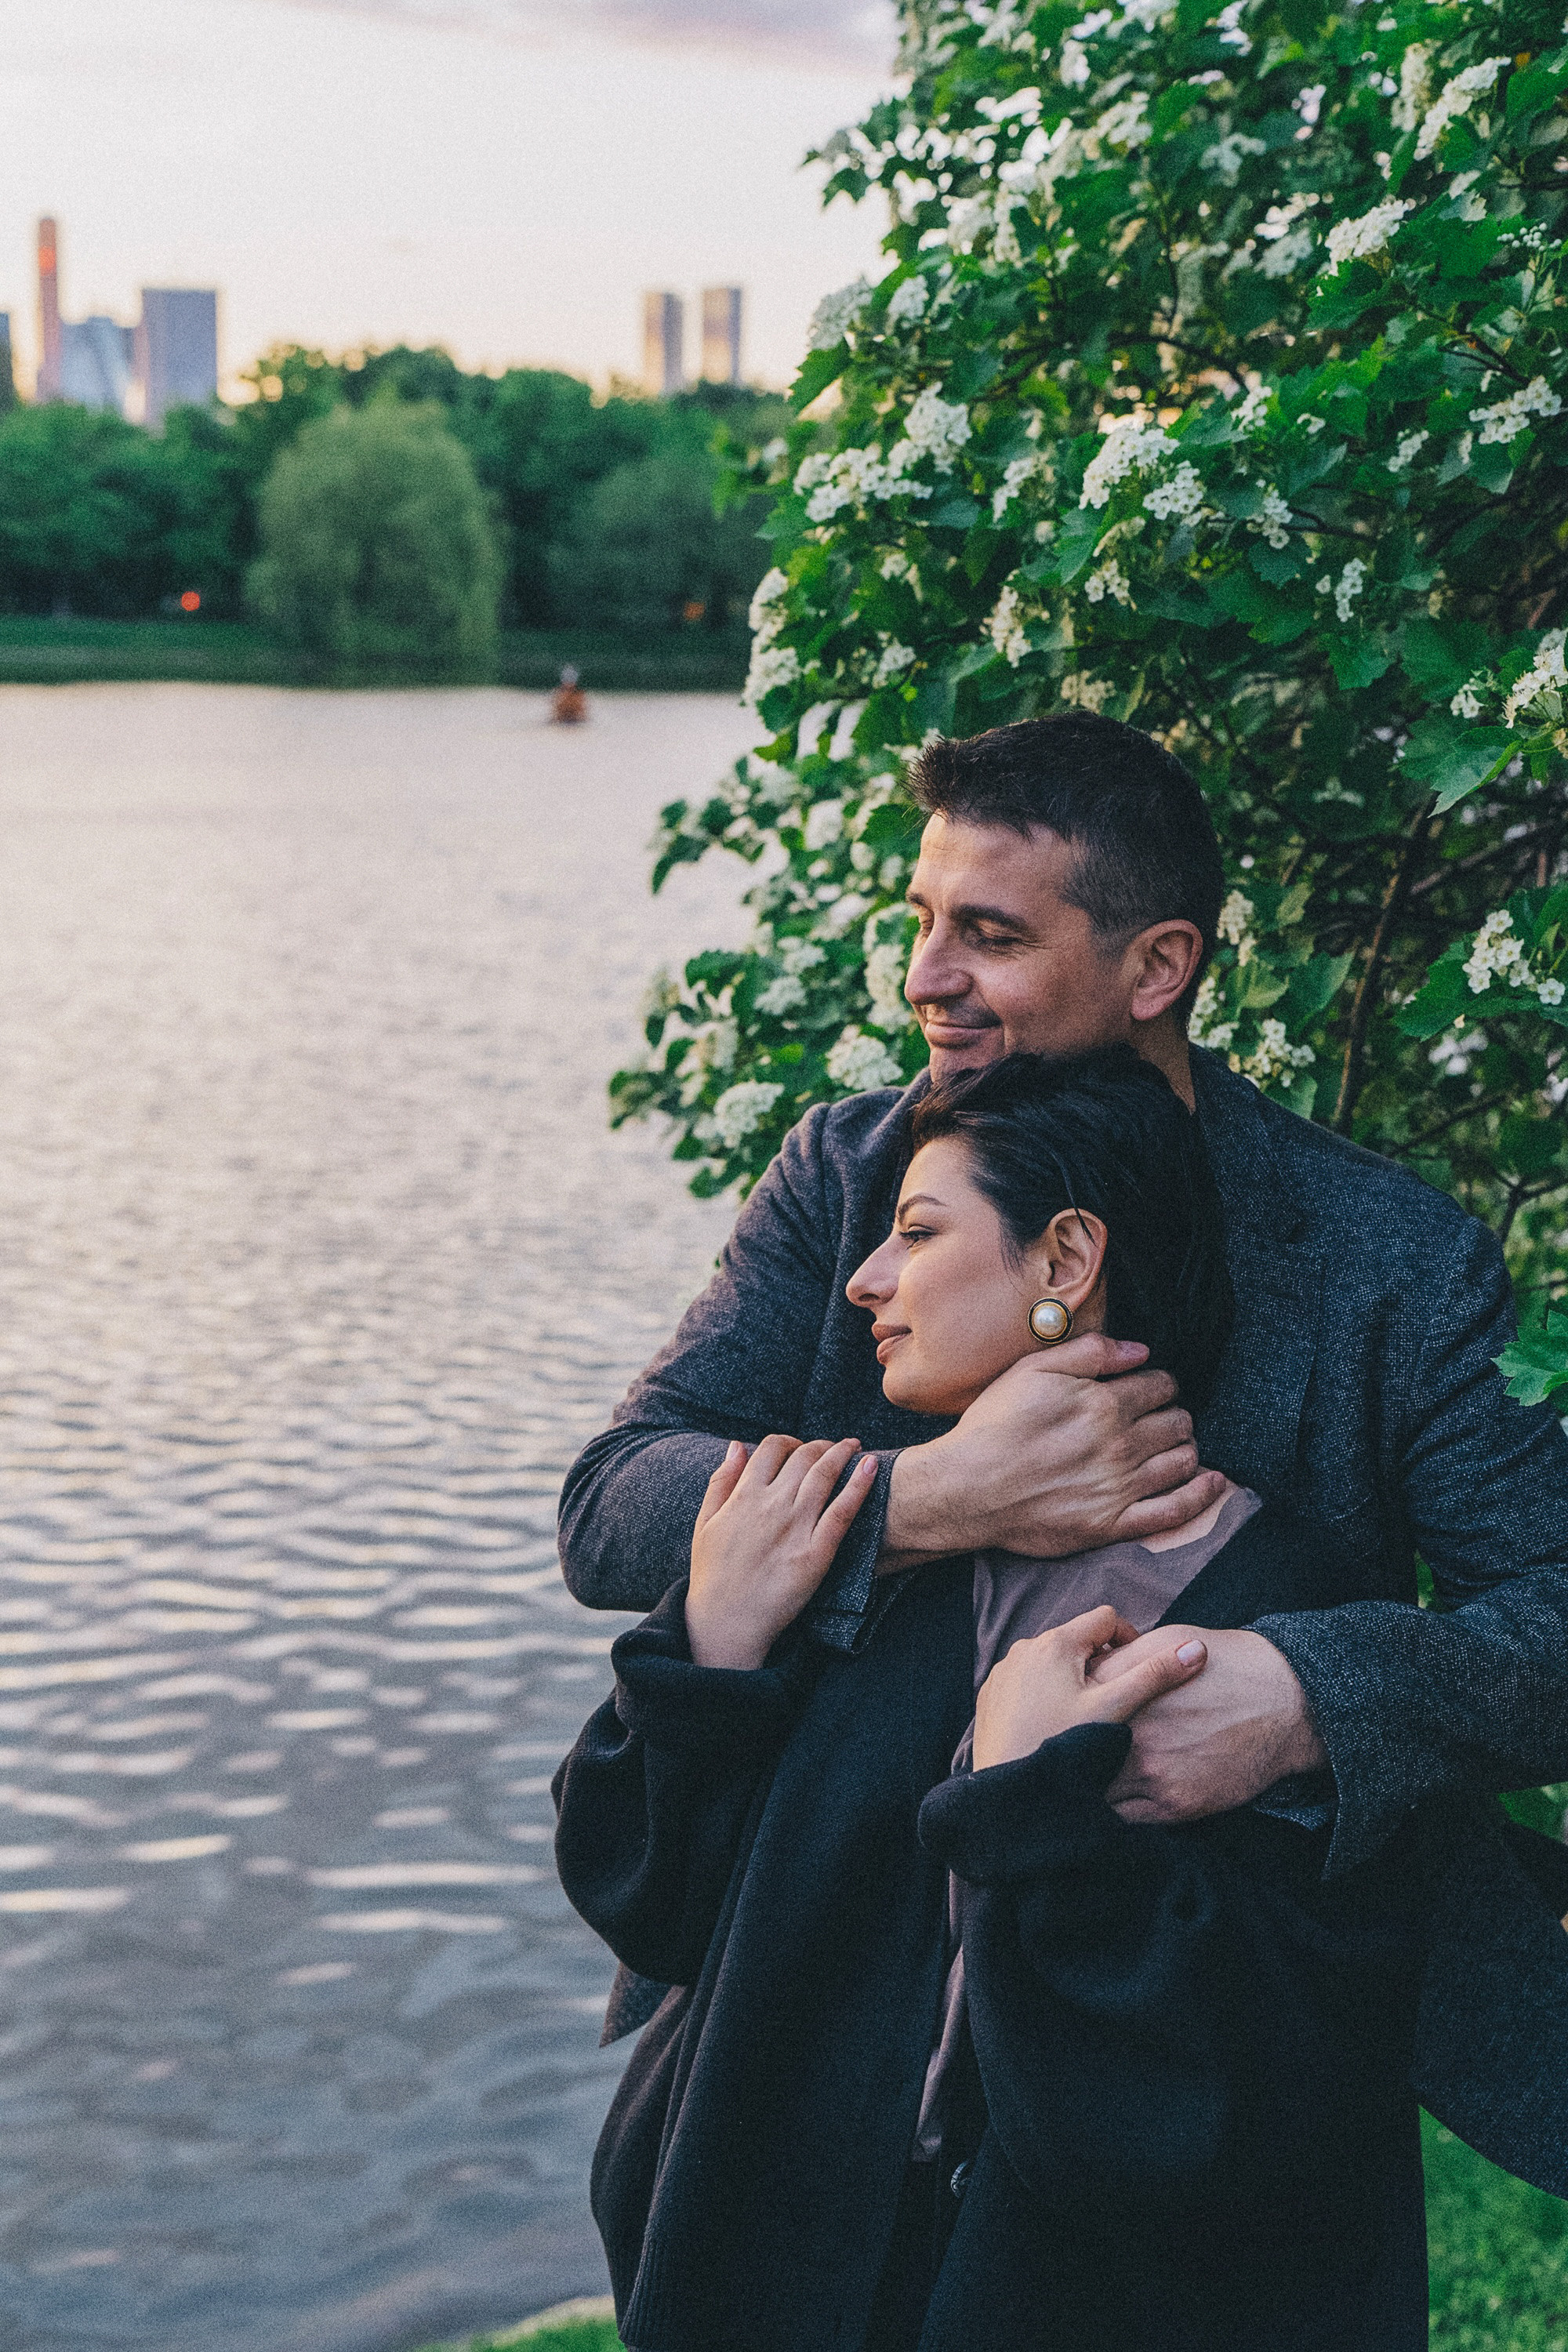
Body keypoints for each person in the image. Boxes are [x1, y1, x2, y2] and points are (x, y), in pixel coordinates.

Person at [558, 713, 1568, 2154]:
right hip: (819, 1990)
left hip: (1228, 2056)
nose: (926, 981)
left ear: (1160, 966)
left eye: (990, 936)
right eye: (919, 922)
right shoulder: (843, 1174)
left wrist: (1301, 1696)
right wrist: (937, 1498)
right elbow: (611, 1509)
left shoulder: (1390, 1257)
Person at [554, 1047, 1568, 2352]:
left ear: (1064, 1262)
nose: (862, 1280)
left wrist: (1038, 1814)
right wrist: (713, 1649)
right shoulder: (866, 1551)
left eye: (917, 1234)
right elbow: (643, 1895)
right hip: (760, 2277)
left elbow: (1176, 2120)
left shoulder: (1273, 1629)